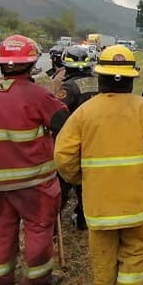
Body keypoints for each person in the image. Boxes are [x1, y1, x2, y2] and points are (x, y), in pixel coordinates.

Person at [55, 45, 143, 285]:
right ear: (131, 79)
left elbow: (63, 156)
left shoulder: (83, 112)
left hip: (99, 206)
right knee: (135, 253)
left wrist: (80, 179)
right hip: (135, 204)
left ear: (100, 76)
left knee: (103, 259)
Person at [0, 34, 70, 285]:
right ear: (31, 63)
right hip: (34, 181)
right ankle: (36, 283)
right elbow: (62, 121)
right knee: (39, 228)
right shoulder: (37, 94)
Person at [51, 44, 99, 230]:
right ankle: (83, 221)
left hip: (74, 143)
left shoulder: (68, 88)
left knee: (62, 185)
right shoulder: (99, 82)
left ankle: (53, 227)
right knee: (87, 187)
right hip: (95, 141)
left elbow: (57, 115)